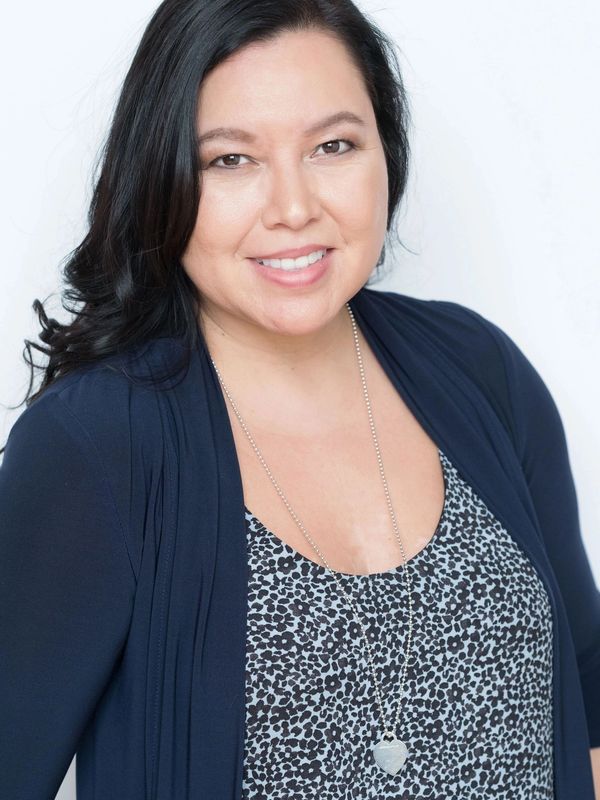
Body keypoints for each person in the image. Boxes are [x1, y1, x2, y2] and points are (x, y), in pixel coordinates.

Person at [0, 0, 598, 798]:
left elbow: (587, 709)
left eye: (334, 145)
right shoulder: (96, 446)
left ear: (386, 152)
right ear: (163, 179)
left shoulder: (478, 370)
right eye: (230, 160)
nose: (293, 207)